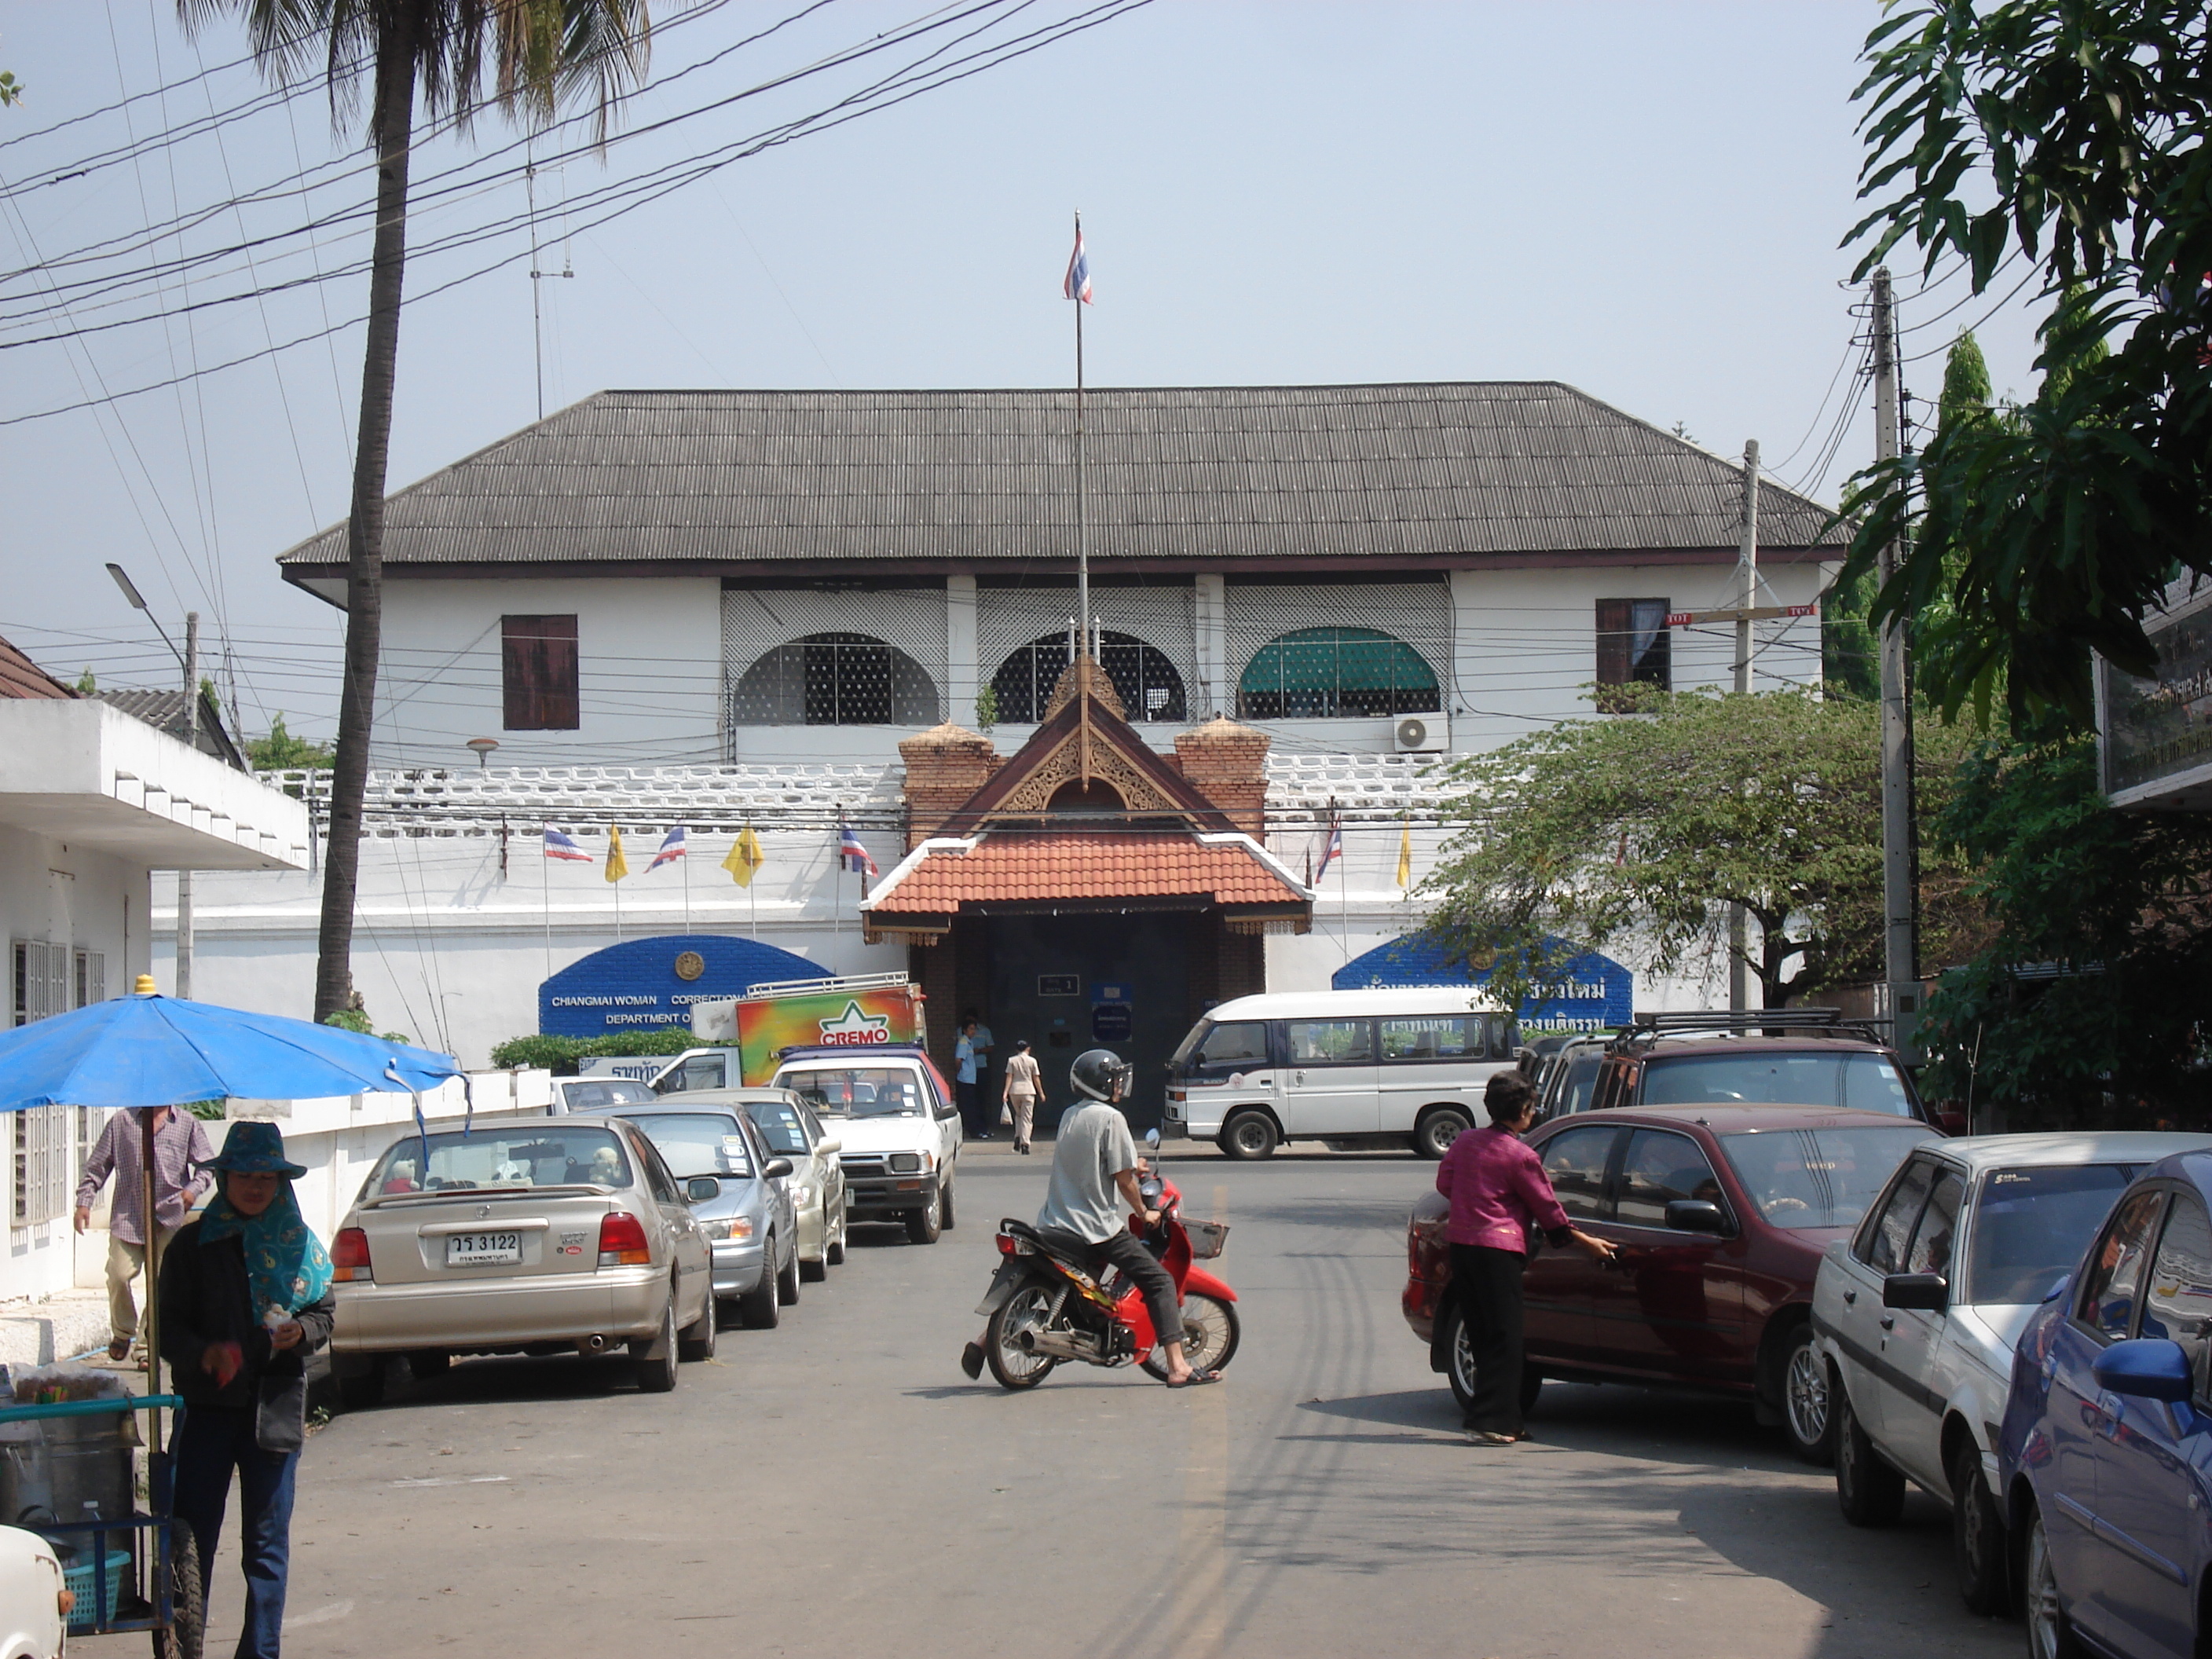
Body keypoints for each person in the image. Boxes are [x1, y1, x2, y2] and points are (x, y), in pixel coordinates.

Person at [159, 1122, 334, 1658]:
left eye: (267, 1177)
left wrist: (300, 1331)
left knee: (266, 1547)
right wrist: (204, 1354)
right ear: (225, 1178)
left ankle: (260, 1652)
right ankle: (184, 1647)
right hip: (207, 1412)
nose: (256, 1187)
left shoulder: (302, 1245)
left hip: (274, 1409)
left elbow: (325, 1314)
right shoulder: (193, 1244)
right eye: (245, 1176)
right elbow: (167, 1330)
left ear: (281, 1183)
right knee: (190, 1545)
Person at [1434, 1072, 1615, 1444]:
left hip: (1462, 1248)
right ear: (1523, 1111)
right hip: (1498, 1252)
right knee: (1506, 1336)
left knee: (1482, 1332)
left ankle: (1497, 1417)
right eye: (1531, 1108)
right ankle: (1496, 1421)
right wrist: (1589, 1244)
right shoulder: (1521, 1156)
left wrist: (1476, 1201)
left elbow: (1445, 1185)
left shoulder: (1466, 1142)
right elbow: (1549, 1211)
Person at [1035, 1049, 1214, 1387]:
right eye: (1115, 1079)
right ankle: (1178, 1366)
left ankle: (984, 1342)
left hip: (1054, 1220)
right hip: (1095, 1227)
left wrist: (1134, 1165)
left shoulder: (1070, 1115)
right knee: (1159, 1281)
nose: (1120, 1085)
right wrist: (1144, 1211)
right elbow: (1122, 1178)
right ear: (1102, 1083)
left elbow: (1093, 1160)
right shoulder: (1111, 1118)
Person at [74, 1104, 215, 1364]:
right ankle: (122, 1331)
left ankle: (146, 1348)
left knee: (162, 1285)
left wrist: (192, 1191)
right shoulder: (122, 1121)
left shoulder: (187, 1123)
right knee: (119, 1274)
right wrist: (84, 1202)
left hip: (170, 1216)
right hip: (129, 1216)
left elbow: (207, 1166)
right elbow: (98, 1166)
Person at [1000, 1038, 1043, 1154]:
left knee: (1019, 1116)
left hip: (1015, 1091)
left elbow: (1009, 1077)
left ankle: (1018, 1137)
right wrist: (1041, 1093)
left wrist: (1005, 1092)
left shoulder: (1012, 1060)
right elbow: (1036, 1078)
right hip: (1029, 1091)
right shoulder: (1032, 1061)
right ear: (1028, 1049)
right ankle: (1025, 1143)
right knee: (1027, 1119)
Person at [954, 1019, 986, 1139]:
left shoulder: (969, 1042)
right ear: (964, 1030)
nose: (973, 1032)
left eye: (974, 1029)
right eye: (971, 1029)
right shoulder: (963, 1042)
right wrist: (959, 1072)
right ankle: (973, 1131)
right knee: (969, 1106)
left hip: (970, 1079)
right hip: (965, 1079)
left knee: (973, 1105)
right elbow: (958, 1060)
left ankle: (976, 1129)